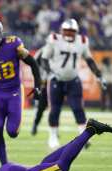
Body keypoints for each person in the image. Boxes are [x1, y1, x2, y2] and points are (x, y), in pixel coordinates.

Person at [0, 17, 41, 165]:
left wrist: (38, 86)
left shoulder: (13, 44)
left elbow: (33, 63)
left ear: (0, 33)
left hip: (14, 92)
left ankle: (12, 135)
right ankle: (4, 165)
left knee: (12, 132)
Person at [41, 18, 106, 149]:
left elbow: (89, 60)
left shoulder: (82, 41)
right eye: (67, 31)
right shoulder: (54, 39)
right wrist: (50, 73)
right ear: (61, 31)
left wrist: (98, 75)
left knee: (78, 108)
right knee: (55, 109)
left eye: (72, 31)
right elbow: (44, 59)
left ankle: (83, 137)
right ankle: (53, 136)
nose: (69, 34)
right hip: (56, 80)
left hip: (73, 80)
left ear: (76, 32)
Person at [31, 47, 48, 136]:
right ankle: (35, 124)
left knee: (56, 107)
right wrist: (39, 79)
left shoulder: (59, 48)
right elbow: (34, 65)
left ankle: (54, 131)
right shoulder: (42, 51)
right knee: (41, 107)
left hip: (55, 81)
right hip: (44, 83)